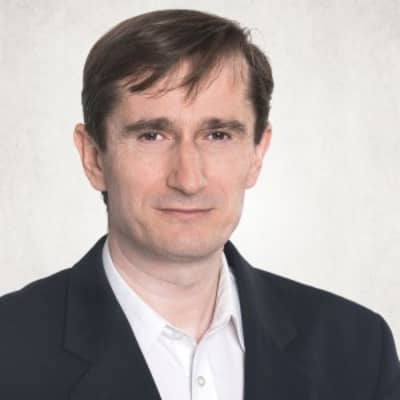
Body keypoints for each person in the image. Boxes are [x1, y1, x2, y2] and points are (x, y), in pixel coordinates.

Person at [0, 9, 399, 400]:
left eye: (218, 135)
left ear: (256, 154)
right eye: (152, 135)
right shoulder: (9, 351)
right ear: (93, 158)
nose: (188, 179)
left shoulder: (359, 350)